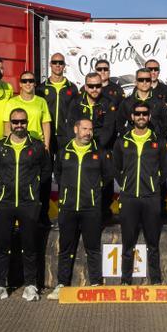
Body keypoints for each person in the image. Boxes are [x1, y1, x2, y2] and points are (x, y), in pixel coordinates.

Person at [0, 108, 47, 301]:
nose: (19, 125)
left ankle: (31, 284)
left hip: (28, 202)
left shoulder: (37, 147)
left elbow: (46, 172)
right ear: (10, 124)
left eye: (22, 122)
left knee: (29, 246)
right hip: (4, 202)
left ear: (27, 123)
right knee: (3, 246)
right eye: (15, 122)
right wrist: (1, 186)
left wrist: (33, 188)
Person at [49, 119, 111, 299]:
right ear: (76, 129)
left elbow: (107, 176)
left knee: (93, 248)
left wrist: (94, 191)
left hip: (90, 208)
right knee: (66, 248)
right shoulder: (63, 152)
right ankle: (61, 284)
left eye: (90, 129)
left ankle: (96, 283)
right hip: (68, 208)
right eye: (84, 129)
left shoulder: (99, 152)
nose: (88, 133)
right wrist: (67, 193)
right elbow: (58, 175)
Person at [114, 101, 167, 285]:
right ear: (132, 117)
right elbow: (116, 168)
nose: (141, 116)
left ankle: (156, 281)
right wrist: (126, 185)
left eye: (145, 113)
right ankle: (125, 280)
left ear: (149, 116)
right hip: (129, 198)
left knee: (153, 244)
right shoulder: (122, 141)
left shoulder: (158, 141)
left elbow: (165, 169)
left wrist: (153, 185)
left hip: (151, 198)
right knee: (128, 244)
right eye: (138, 113)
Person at [113, 67, 167, 137]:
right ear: (136, 82)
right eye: (141, 80)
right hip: (132, 144)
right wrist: (129, 135)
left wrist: (156, 135)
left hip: (153, 143)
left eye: (147, 80)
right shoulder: (127, 102)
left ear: (151, 82)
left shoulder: (159, 103)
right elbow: (119, 124)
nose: (144, 82)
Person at [65, 73, 117, 150]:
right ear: (85, 87)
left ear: (101, 86)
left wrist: (95, 147)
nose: (94, 89)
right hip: (79, 146)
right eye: (91, 86)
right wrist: (78, 146)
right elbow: (71, 127)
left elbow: (108, 129)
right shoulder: (76, 102)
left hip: (101, 147)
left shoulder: (108, 104)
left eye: (98, 86)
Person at [3, 71, 52, 150]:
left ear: (35, 83)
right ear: (20, 84)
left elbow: (46, 124)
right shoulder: (11, 102)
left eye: (31, 81)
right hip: (18, 145)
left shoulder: (41, 101)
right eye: (24, 81)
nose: (28, 83)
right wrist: (10, 146)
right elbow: (7, 126)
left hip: (37, 144)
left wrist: (46, 146)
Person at [41, 54, 79, 141]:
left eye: (60, 63)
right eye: (54, 62)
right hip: (46, 134)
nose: (57, 65)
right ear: (50, 64)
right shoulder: (41, 88)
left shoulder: (72, 88)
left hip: (66, 135)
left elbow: (75, 112)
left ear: (64, 65)